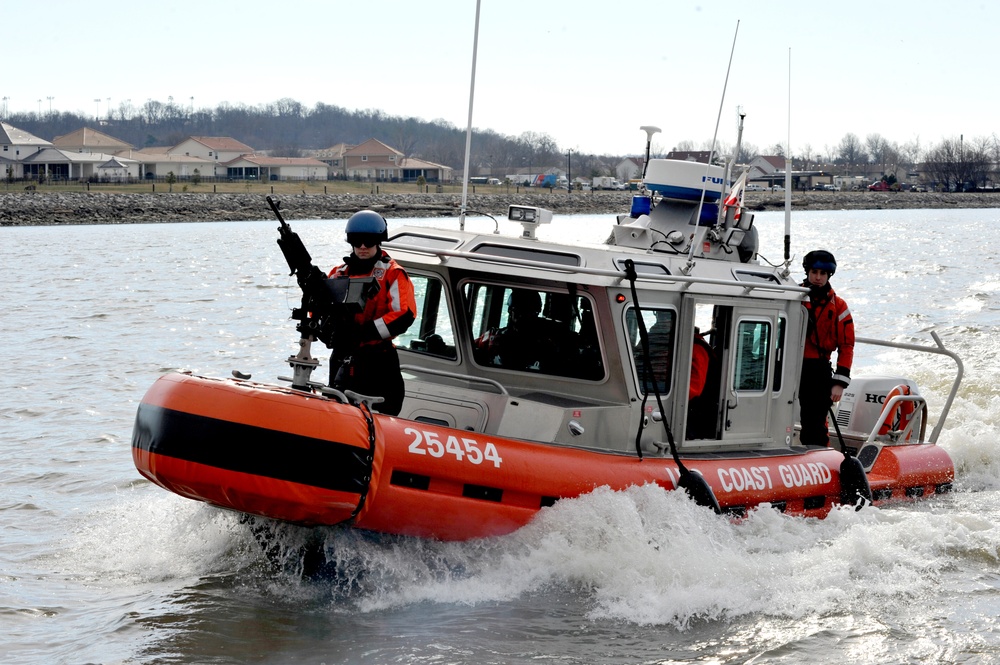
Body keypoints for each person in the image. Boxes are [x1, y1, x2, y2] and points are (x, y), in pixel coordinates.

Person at [327, 210, 416, 415]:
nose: (363, 246)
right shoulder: (338, 274)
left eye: (369, 241)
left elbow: (404, 313)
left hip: (378, 360)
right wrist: (329, 331)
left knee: (385, 412)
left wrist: (363, 332)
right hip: (342, 357)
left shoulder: (393, 273)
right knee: (337, 411)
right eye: (358, 242)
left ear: (378, 241)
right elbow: (320, 310)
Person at [798, 249, 855, 446]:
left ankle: (816, 458)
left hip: (818, 369)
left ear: (829, 275)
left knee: (815, 424)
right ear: (807, 272)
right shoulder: (793, 296)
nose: (818, 277)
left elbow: (847, 346)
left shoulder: (839, 306)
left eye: (823, 273)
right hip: (789, 365)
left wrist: (839, 382)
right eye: (814, 272)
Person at [475, 289, 557, 371]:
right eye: (519, 310)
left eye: (528, 312)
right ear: (510, 311)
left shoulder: (546, 346)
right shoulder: (492, 337)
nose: (522, 316)